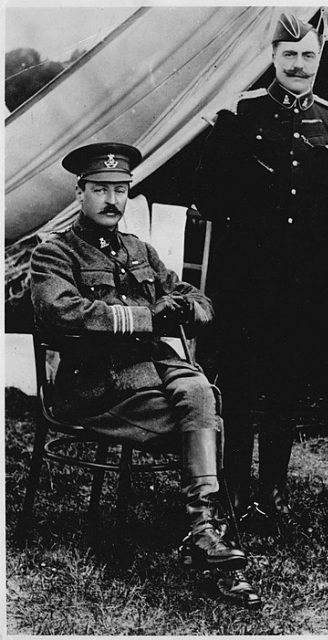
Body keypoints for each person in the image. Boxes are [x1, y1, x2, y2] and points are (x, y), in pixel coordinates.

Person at [30, 142, 260, 606]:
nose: (111, 200)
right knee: (205, 415)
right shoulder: (55, 255)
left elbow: (198, 301)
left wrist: (186, 308)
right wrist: (147, 315)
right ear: (80, 193)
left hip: (158, 369)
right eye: (100, 189)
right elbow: (64, 312)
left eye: (120, 190)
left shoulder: (140, 250)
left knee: (199, 389)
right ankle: (209, 537)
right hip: (99, 383)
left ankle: (202, 533)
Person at [193, 13, 328, 521]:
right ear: (273, 58)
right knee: (240, 381)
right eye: (290, 56)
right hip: (245, 276)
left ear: (319, 58)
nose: (299, 65)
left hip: (303, 281)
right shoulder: (240, 114)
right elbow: (208, 195)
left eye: (308, 55)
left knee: (286, 382)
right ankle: (236, 486)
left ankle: (275, 489)